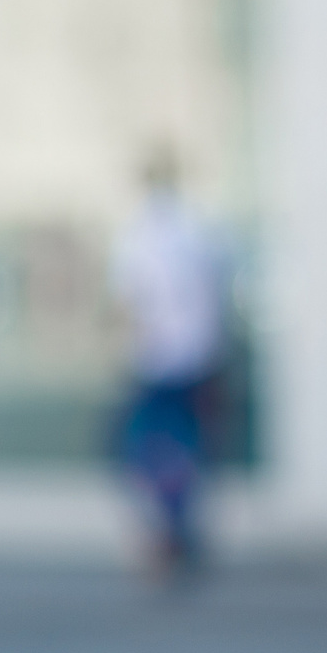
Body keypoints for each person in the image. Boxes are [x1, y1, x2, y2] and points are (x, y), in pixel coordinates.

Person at [109, 148, 226, 585]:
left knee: (145, 449)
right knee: (187, 447)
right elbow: (215, 295)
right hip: (196, 356)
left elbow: (129, 300)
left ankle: (166, 534)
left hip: (155, 358)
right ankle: (179, 531)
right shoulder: (197, 231)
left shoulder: (139, 234)